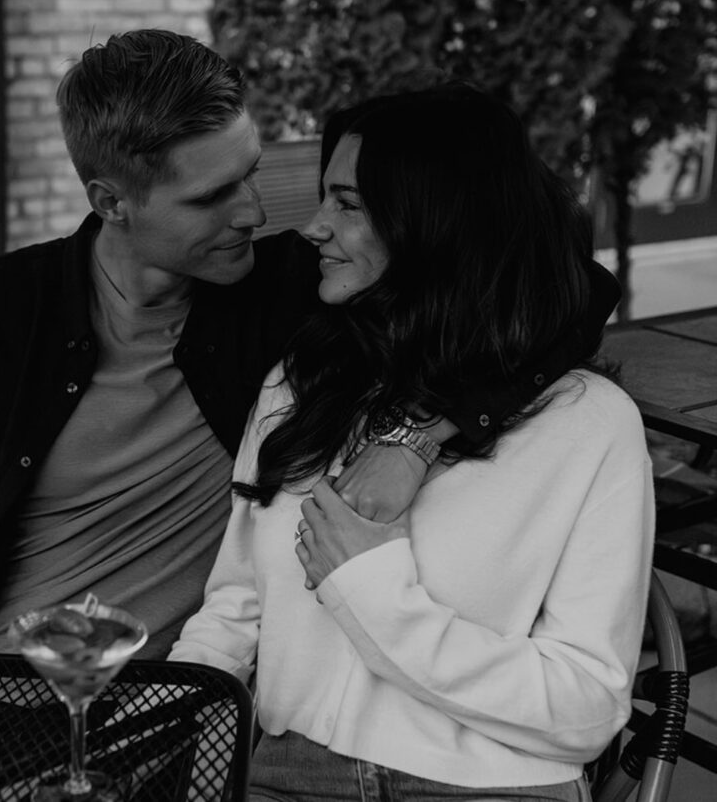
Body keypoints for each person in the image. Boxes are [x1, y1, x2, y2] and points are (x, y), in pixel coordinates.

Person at [0, 30, 620, 660]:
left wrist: (423, 433)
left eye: (249, 173)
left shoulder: (293, 293)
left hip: (173, 710)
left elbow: (570, 293)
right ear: (112, 202)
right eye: (212, 196)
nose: (254, 210)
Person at [170, 83, 654, 800]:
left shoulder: (588, 422)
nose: (314, 227)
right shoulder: (299, 384)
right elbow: (234, 608)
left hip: (484, 786)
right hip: (286, 773)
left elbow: (587, 704)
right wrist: (167, 740)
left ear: (435, 223)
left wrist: (371, 589)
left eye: (349, 204)